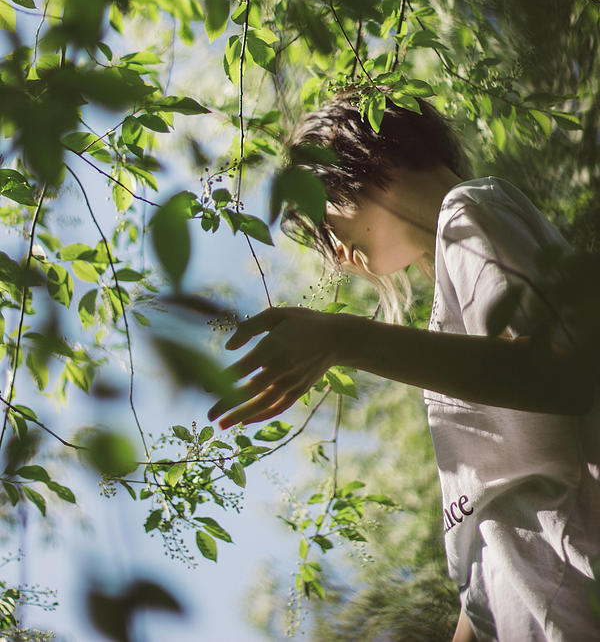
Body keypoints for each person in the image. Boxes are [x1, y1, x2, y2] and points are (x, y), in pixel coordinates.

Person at [207, 90, 600, 641]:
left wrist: (347, 338)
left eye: (325, 222)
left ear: (359, 160)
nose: (334, 252)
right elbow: (492, 523)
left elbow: (563, 377)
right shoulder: (448, 312)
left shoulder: (469, 211)